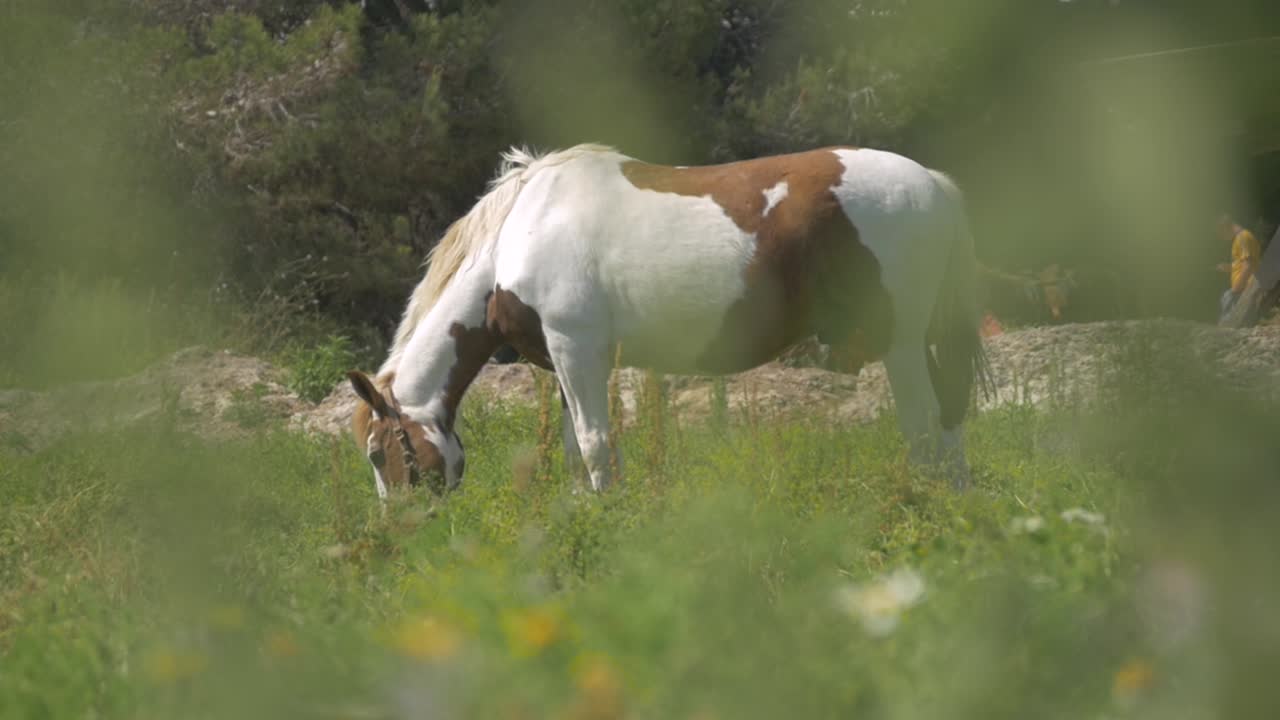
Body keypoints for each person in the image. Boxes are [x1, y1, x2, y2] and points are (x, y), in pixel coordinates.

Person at [1216, 214, 1261, 325]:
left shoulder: (1243, 237)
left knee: (1227, 324)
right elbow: (1243, 264)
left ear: (1224, 227)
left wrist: (1235, 290)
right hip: (1242, 289)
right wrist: (1229, 267)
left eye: (1220, 233)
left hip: (1243, 289)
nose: (1220, 237)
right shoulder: (1239, 238)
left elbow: (1248, 266)